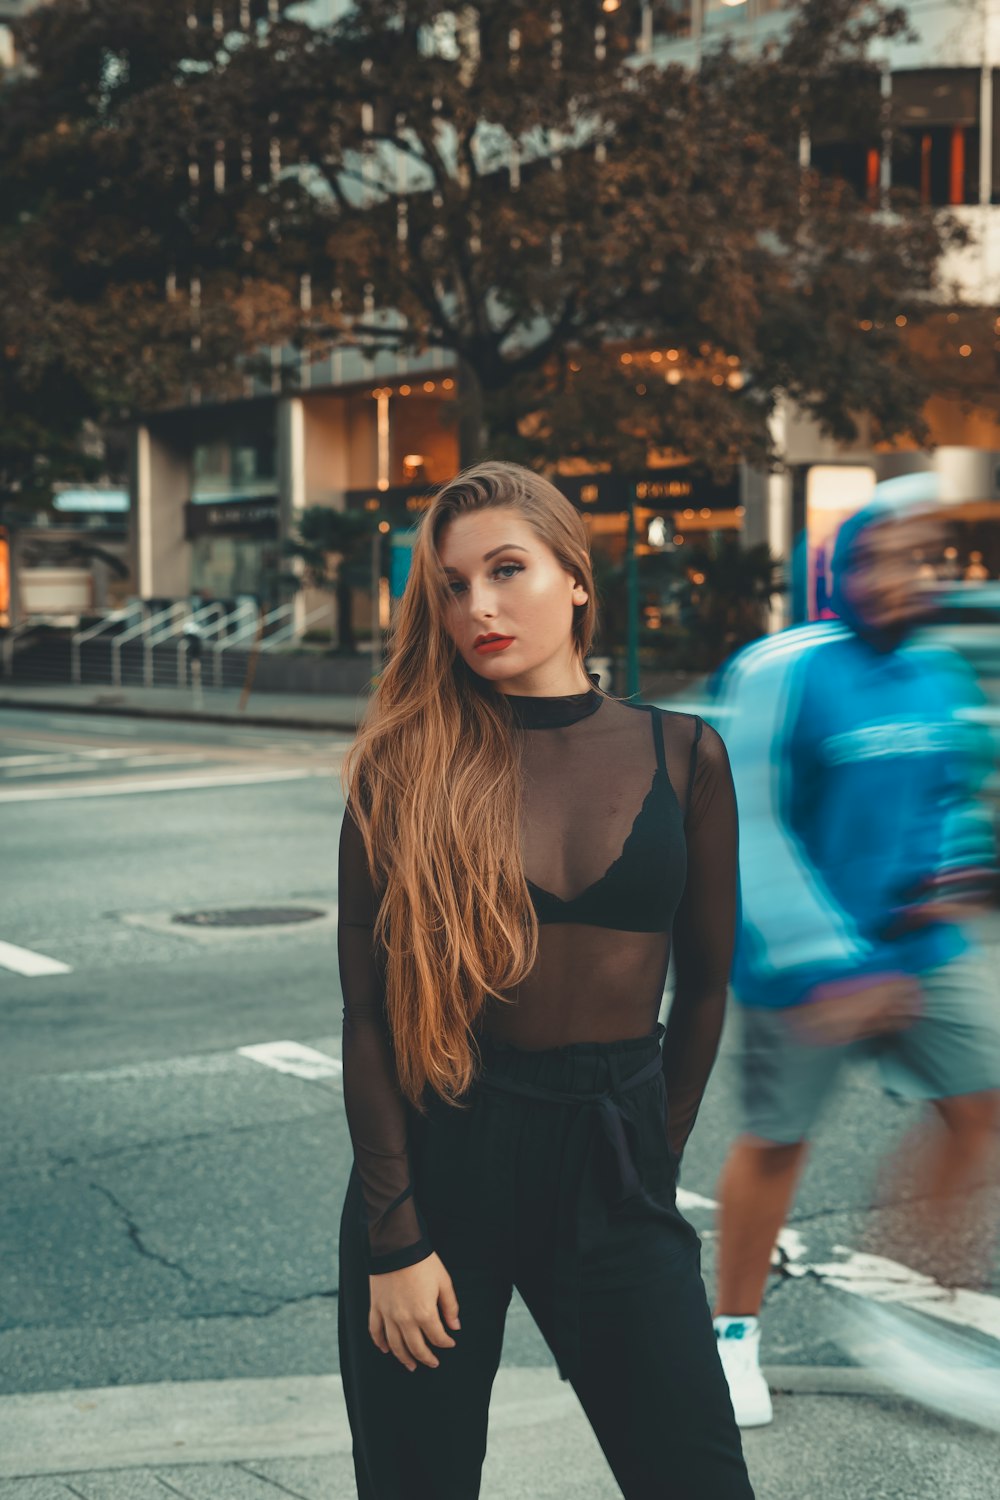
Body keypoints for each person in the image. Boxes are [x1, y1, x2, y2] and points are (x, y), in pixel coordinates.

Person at [337, 461, 755, 1499]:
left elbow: (704, 985)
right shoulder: (404, 765)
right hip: (441, 1155)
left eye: (505, 569)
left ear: (575, 577)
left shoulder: (683, 754)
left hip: (611, 1158)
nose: (476, 605)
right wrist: (394, 1241)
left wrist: (650, 1161)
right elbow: (368, 1012)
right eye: (450, 584)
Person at [710, 473, 1000, 1429]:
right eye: (875, 557)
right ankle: (732, 1339)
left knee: (983, 1106)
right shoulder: (782, 669)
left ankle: (906, 1305)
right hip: (804, 967)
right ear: (837, 566)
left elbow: (954, 802)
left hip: (914, 952)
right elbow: (754, 831)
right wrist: (834, 965)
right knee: (778, 1142)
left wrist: (955, 876)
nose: (896, 577)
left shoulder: (937, 672)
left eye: (917, 559)